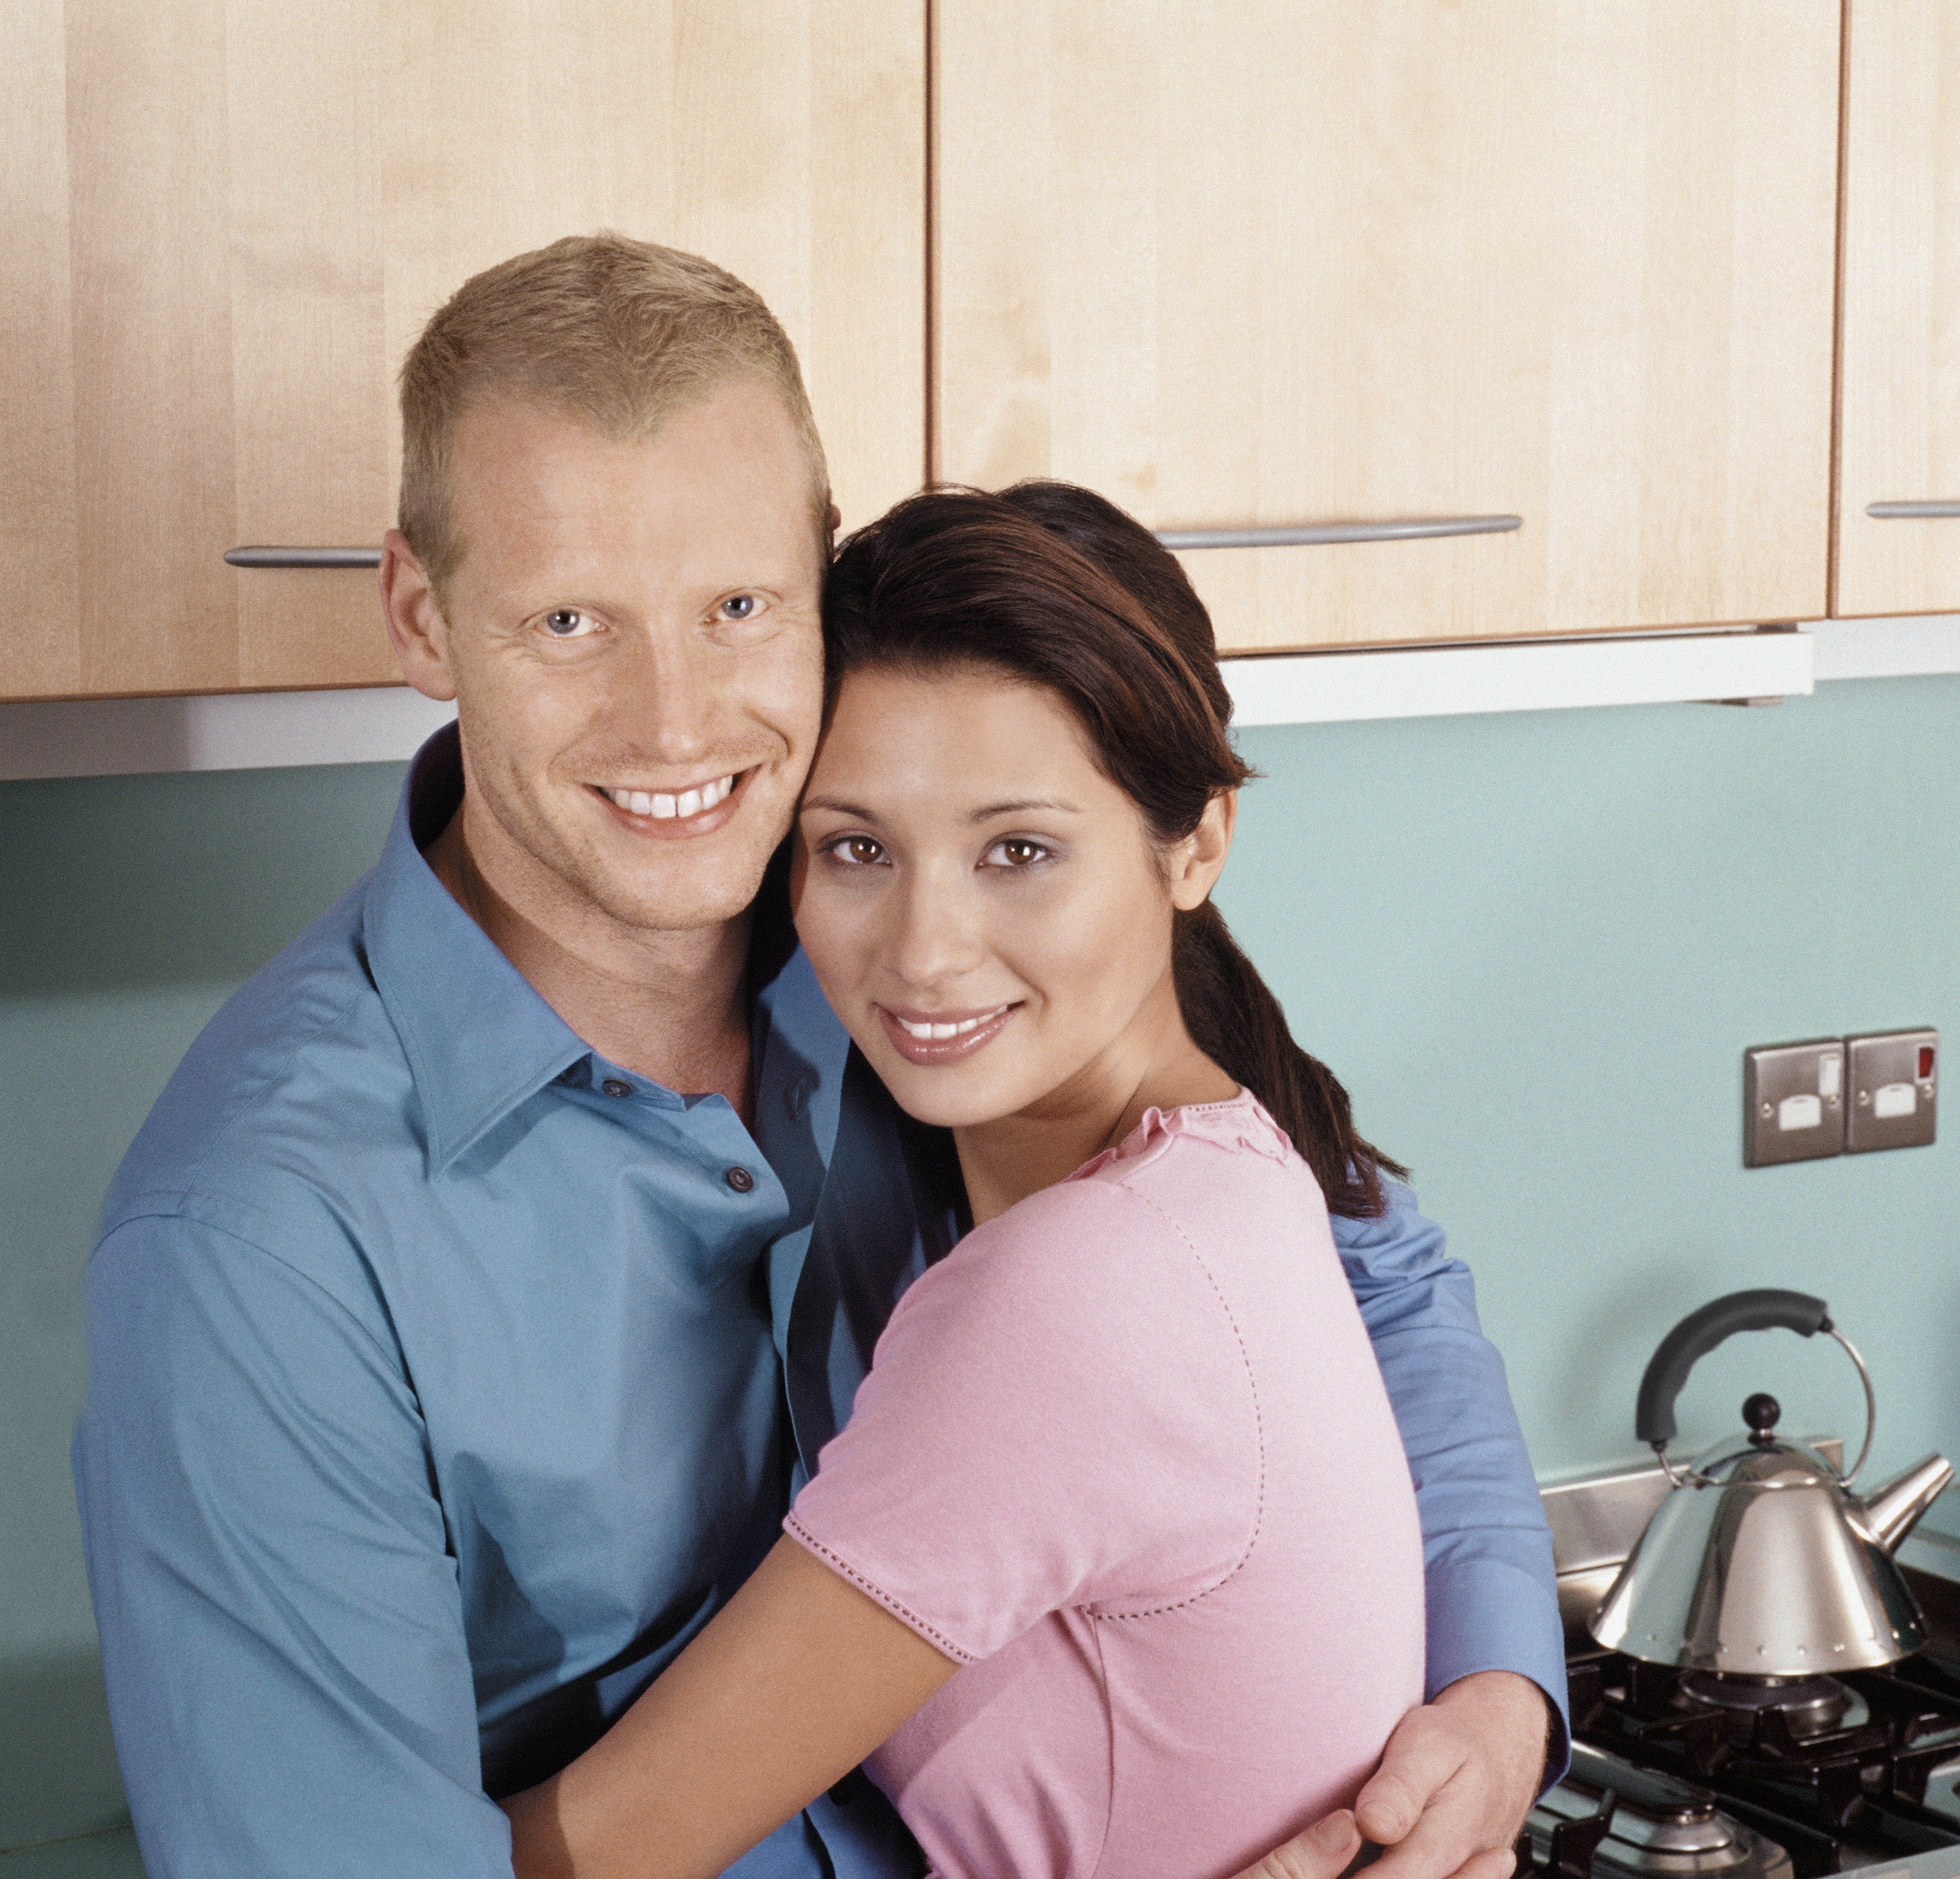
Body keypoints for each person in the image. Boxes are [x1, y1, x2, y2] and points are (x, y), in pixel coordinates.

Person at [72, 234, 1562, 1879]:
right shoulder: (258, 1245)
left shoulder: (924, 956)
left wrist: (1495, 1695)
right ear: (425, 618)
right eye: (570, 619)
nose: (676, 720)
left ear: (820, 581)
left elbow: (1369, 1276)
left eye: (737, 608)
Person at [504, 483, 1431, 1877]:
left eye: (1019, 852)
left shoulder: (1076, 1291)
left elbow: (600, 1857)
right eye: (858, 849)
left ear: (1196, 845)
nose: (926, 952)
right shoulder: (1233, 1174)